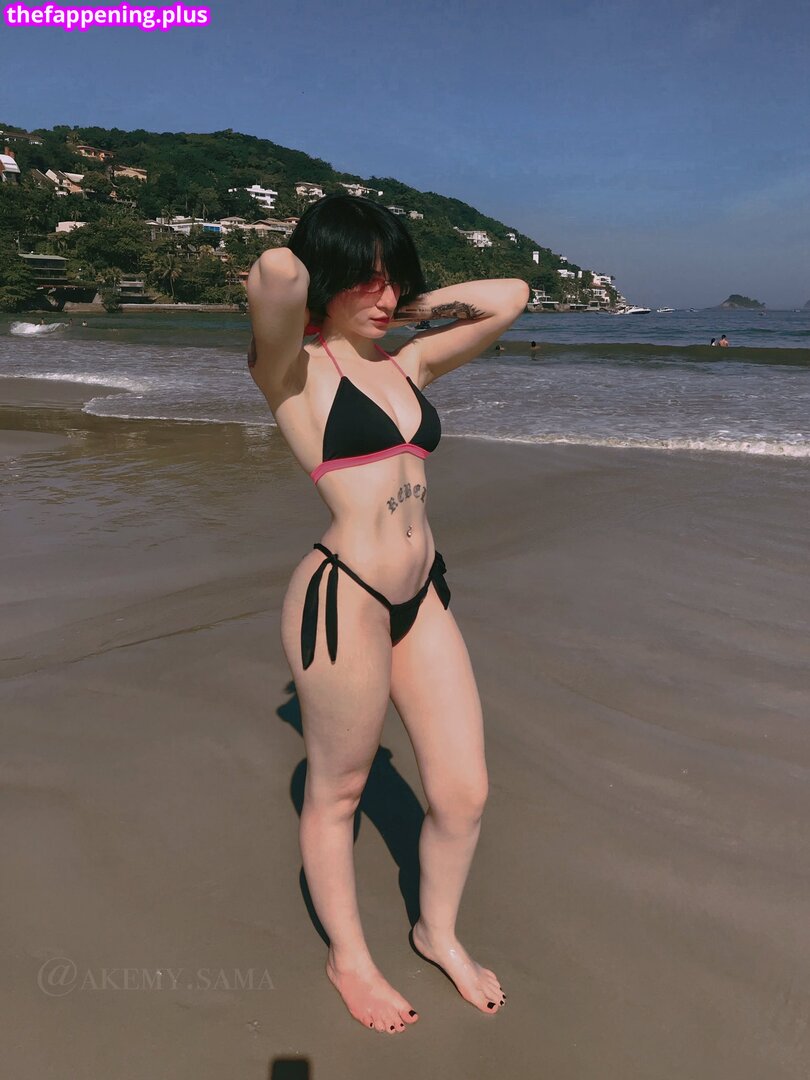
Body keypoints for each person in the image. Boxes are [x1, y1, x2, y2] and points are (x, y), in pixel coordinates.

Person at [246, 194, 527, 1035]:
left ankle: (436, 932)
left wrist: (400, 304)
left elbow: (510, 296)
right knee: (339, 791)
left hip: (422, 593)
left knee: (464, 792)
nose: (385, 294)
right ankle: (349, 959)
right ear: (329, 276)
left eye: (393, 277)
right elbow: (276, 275)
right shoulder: (290, 369)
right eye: (365, 278)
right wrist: (322, 269)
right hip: (345, 599)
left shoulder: (408, 366)